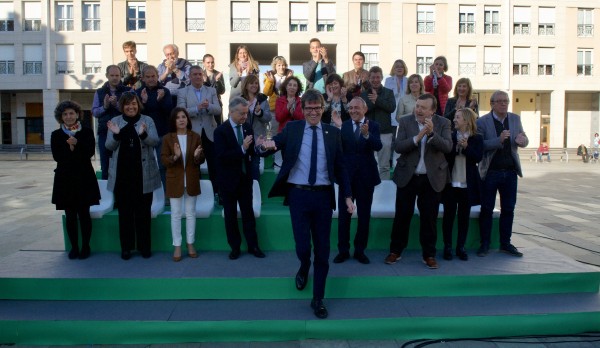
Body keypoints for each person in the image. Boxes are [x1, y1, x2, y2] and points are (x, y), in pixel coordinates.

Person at [258, 89, 355, 319]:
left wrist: (348, 196)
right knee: (303, 247)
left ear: (324, 109)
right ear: (303, 110)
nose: (313, 112)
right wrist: (264, 146)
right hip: (298, 196)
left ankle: (318, 299)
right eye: (309, 108)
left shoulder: (332, 133)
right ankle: (303, 265)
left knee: (322, 251)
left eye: (317, 108)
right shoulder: (293, 129)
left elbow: (341, 167)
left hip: (323, 197)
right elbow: (273, 144)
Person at [386, 93, 452, 269]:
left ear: (433, 110)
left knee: (429, 219)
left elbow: (447, 146)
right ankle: (395, 251)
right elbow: (399, 146)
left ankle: (429, 255)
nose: (418, 110)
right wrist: (417, 138)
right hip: (408, 176)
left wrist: (431, 134)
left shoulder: (443, 123)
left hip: (431, 178)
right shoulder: (406, 121)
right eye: (417, 106)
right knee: (402, 215)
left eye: (423, 107)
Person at [106, 92, 161, 260]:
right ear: (122, 106)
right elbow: (109, 145)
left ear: (138, 105)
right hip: (122, 177)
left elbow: (155, 141)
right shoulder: (115, 121)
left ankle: (144, 247)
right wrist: (116, 134)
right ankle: (126, 248)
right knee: (125, 215)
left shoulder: (147, 120)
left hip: (143, 176)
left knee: (143, 214)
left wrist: (143, 134)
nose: (131, 107)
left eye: (134, 104)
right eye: (127, 104)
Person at [477, 90, 529, 257]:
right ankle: (485, 243)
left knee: (508, 208)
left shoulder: (515, 118)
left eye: (505, 101)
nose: (503, 103)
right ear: (492, 104)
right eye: (499, 101)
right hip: (490, 171)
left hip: (510, 171)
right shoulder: (482, 121)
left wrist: (523, 141)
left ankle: (505, 243)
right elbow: (479, 145)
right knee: (486, 208)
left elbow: (523, 137)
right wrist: (498, 141)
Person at [214, 97, 265, 260]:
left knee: (248, 214)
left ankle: (253, 246)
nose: (244, 116)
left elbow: (250, 154)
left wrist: (258, 147)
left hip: (245, 179)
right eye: (241, 113)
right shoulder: (221, 131)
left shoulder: (247, 127)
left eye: (246, 113)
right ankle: (235, 247)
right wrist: (242, 148)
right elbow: (221, 156)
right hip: (228, 181)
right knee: (230, 216)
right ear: (231, 111)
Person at [333, 97, 382, 265]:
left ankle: (360, 250)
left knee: (364, 216)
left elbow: (378, 146)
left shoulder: (373, 125)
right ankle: (343, 251)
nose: (353, 110)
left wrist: (367, 135)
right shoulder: (344, 126)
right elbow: (340, 153)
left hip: (366, 179)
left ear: (365, 109)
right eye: (350, 108)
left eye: (356, 108)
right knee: (344, 217)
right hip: (347, 179)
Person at [51, 100, 100, 260]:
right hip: (65, 180)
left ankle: (86, 245)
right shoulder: (56, 135)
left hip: (84, 178)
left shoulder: (86, 132)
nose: (69, 116)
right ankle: (74, 247)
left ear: (77, 114)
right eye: (65, 114)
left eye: (71, 113)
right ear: (61, 117)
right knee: (70, 215)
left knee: (84, 214)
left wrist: (77, 144)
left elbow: (89, 153)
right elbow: (57, 157)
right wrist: (69, 148)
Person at [161, 107, 205, 262]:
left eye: (184, 117)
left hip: (191, 179)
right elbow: (164, 161)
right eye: (178, 117)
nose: (181, 119)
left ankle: (190, 243)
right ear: (174, 121)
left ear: (188, 119)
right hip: (175, 180)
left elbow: (201, 160)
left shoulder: (196, 136)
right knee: (176, 214)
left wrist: (196, 156)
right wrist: (175, 156)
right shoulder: (167, 138)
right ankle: (177, 245)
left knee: (191, 213)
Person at [441, 108, 483, 261]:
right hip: (451, 183)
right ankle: (447, 247)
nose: (454, 120)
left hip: (467, 184)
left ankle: (461, 247)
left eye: (457, 117)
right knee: (449, 216)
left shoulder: (476, 138)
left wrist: (466, 148)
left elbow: (478, 157)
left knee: (464, 218)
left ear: (466, 120)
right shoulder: (450, 136)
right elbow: (445, 155)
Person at [177, 66, 221, 204]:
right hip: (192, 134)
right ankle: (196, 194)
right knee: (193, 165)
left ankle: (217, 193)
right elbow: (181, 111)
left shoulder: (211, 90)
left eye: (199, 74)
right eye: (194, 74)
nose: (197, 76)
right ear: (190, 77)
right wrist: (197, 108)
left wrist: (207, 106)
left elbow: (218, 110)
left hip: (209, 133)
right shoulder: (182, 92)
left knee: (214, 165)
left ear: (203, 76)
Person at [136, 65, 173, 190]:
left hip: (162, 132)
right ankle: (146, 192)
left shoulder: (164, 92)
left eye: (153, 76)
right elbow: (136, 113)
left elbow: (169, 111)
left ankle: (166, 194)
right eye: (148, 77)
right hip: (144, 134)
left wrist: (160, 100)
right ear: (143, 78)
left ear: (158, 77)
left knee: (163, 164)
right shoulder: (138, 93)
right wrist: (144, 102)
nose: (151, 79)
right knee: (143, 164)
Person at [91, 65, 130, 180]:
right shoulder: (99, 92)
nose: (114, 78)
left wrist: (117, 105)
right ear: (107, 76)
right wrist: (105, 106)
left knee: (124, 164)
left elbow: (132, 110)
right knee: (105, 165)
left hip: (124, 131)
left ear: (121, 76)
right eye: (112, 75)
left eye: (117, 75)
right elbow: (94, 112)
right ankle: (107, 196)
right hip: (104, 132)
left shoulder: (128, 91)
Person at [360, 66, 396, 181]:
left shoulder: (388, 93)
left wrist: (378, 99)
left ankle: (384, 190)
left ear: (381, 78)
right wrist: (374, 101)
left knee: (384, 165)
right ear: (369, 79)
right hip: (368, 132)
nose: (375, 80)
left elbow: (391, 108)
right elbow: (363, 110)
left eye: (378, 77)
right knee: (368, 163)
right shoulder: (364, 94)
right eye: (373, 77)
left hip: (385, 132)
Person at [264, 56, 294, 169]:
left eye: (283, 65)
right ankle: (276, 159)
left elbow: (293, 90)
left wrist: (289, 79)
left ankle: (286, 158)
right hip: (274, 110)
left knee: (287, 134)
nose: (282, 67)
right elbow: (266, 92)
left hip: (287, 109)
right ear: (275, 66)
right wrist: (270, 81)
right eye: (279, 65)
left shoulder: (289, 76)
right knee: (274, 134)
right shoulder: (270, 76)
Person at [240, 74, 272, 180]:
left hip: (258, 138)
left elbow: (268, 117)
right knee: (242, 168)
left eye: (256, 83)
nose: (254, 85)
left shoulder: (262, 99)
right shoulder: (240, 100)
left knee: (255, 166)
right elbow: (233, 117)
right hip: (243, 138)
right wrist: (243, 112)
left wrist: (259, 113)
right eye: (251, 83)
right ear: (246, 85)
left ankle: (255, 193)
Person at [202, 54, 226, 125]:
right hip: (204, 105)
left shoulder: (218, 74)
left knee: (217, 126)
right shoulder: (200, 74)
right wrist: (204, 82)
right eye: (208, 62)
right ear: (203, 63)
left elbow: (222, 91)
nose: (211, 65)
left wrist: (218, 81)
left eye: (212, 62)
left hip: (216, 105)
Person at [384, 59, 408, 125]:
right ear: (394, 69)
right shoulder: (388, 80)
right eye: (397, 67)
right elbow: (386, 96)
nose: (399, 68)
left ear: (404, 68)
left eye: (401, 67)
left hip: (405, 109)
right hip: (393, 109)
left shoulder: (408, 80)